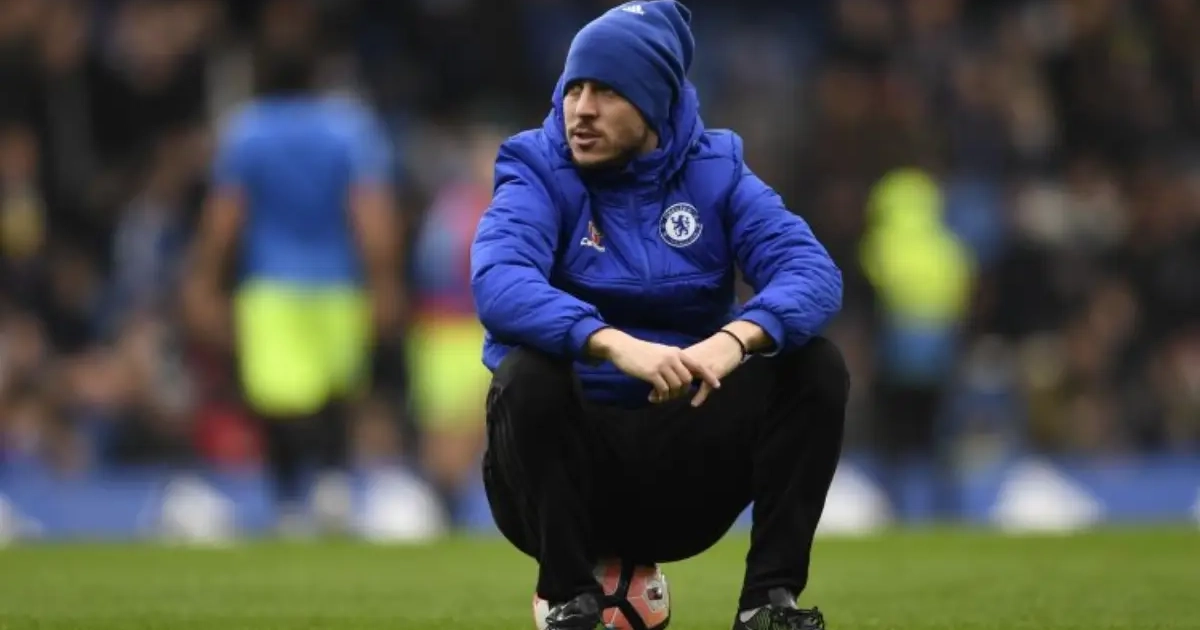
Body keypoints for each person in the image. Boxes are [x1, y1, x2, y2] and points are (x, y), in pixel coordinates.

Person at [470, 2, 848, 629]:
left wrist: (734, 341)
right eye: (574, 89)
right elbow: (499, 282)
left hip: (679, 467)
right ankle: (569, 600)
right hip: (555, 481)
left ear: (655, 102)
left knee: (815, 365)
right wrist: (610, 342)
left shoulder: (719, 172)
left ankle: (768, 603)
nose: (581, 109)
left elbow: (813, 272)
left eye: (606, 92)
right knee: (526, 374)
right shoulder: (535, 166)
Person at [183, 41, 402, 535]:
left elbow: (224, 217)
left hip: (270, 286)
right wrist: (386, 281)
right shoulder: (349, 128)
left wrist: (203, 281)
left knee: (277, 397)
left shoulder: (247, 131)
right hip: (337, 284)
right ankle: (332, 485)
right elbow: (370, 212)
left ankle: (287, 501)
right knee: (334, 391)